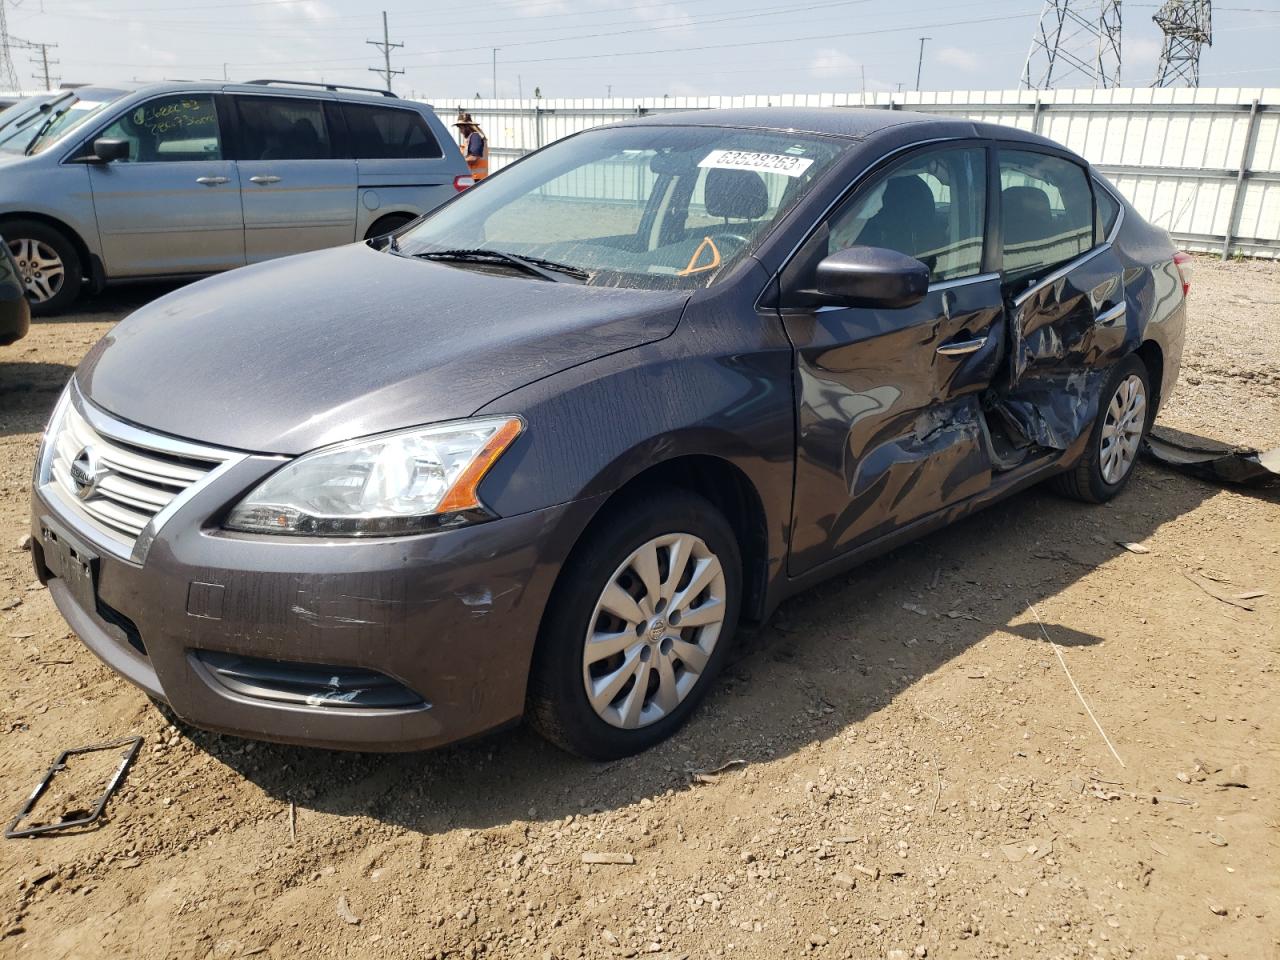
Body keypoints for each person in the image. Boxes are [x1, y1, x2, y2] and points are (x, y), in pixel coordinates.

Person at [454, 111, 489, 181]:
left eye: (461, 128)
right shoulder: (471, 138)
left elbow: (473, 158)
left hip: (476, 179)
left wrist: (457, 162)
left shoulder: (475, 137)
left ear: (467, 127)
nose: (460, 131)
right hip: (474, 178)